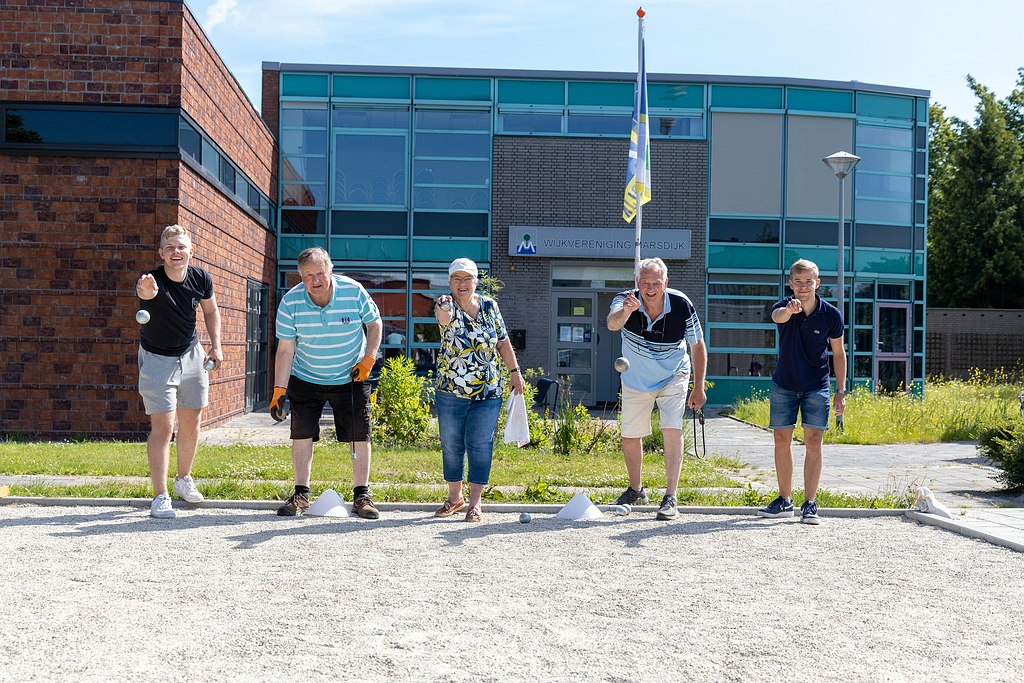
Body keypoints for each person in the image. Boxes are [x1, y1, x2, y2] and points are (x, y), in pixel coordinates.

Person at [271, 247, 383, 519]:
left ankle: (361, 496)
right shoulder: (291, 303)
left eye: (320, 273)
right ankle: (301, 495)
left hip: (351, 376)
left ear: (330, 271)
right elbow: (285, 350)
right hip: (307, 377)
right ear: (300, 277)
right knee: (301, 434)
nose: (315, 280)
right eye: (308, 275)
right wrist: (279, 391)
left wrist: (368, 360)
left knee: (359, 435)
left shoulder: (353, 291)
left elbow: (375, 324)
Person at [606, 257, 708, 520]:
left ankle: (670, 496)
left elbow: (697, 345)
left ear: (666, 283)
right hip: (636, 379)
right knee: (630, 435)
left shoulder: (682, 304)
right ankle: (636, 489)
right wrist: (627, 311)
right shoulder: (624, 300)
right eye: (645, 283)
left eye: (656, 283)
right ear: (637, 282)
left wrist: (698, 387)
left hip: (674, 374)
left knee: (671, 428)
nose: (650, 288)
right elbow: (612, 324)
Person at [136, 224, 222, 519]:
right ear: (161, 252)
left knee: (192, 420)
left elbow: (211, 311)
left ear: (190, 251)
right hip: (158, 358)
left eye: (181, 247)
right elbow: (145, 295)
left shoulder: (200, 278)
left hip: (192, 354)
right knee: (163, 427)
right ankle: (160, 497)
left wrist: (216, 346)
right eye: (170, 247)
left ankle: (183, 480)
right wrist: (145, 293)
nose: (176, 252)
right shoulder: (151, 281)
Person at [433, 258, 525, 522]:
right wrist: (444, 311)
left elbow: (504, 342)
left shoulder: (489, 306)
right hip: (451, 391)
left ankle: (475, 503)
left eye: (467, 279)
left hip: (488, 391)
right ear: (450, 283)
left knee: (480, 445)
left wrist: (515, 373)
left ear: (475, 281)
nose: (462, 284)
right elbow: (443, 319)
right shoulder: (445, 305)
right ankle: (454, 498)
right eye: (456, 279)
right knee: (452, 445)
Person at [757, 259, 847, 525]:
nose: (803, 286)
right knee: (781, 442)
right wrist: (790, 311)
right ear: (791, 284)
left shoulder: (831, 315)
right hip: (784, 384)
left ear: (817, 284)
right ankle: (785, 501)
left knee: (814, 443)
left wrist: (840, 391)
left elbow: (839, 354)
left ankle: (810, 504)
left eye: (809, 281)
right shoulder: (782, 307)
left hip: (816, 385)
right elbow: (777, 317)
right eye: (798, 282)